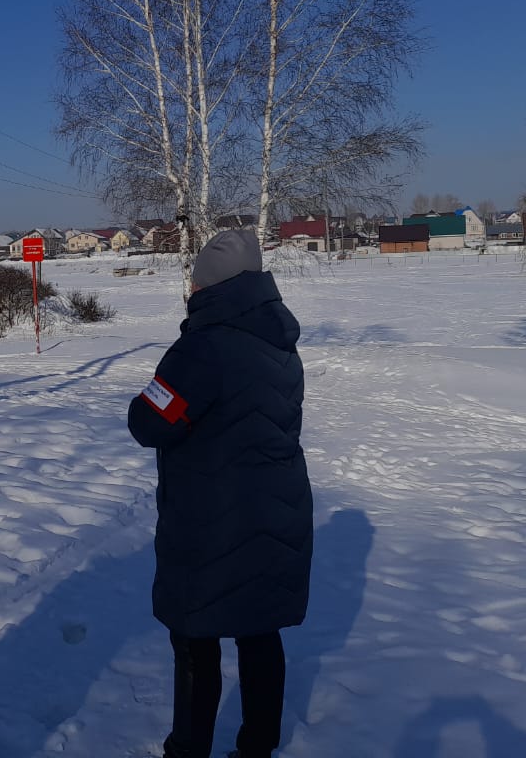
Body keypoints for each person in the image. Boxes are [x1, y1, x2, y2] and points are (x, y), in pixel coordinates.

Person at [128, 229, 312, 758]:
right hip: (276, 509)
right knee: (259, 632)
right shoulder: (278, 339)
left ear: (207, 285)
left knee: (195, 638)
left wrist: (147, 400)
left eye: (193, 278)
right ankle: (258, 747)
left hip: (214, 518)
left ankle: (187, 751)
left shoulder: (202, 348)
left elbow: (151, 423)